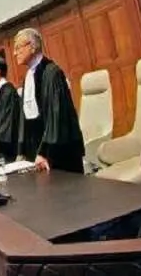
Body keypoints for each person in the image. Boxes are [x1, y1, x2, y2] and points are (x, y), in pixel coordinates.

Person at [13, 28, 85, 173]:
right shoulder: (28, 76)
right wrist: (22, 151)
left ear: (32, 47)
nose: (15, 53)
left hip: (57, 153)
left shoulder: (52, 73)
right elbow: (27, 117)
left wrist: (45, 152)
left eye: (18, 47)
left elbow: (56, 117)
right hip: (37, 151)